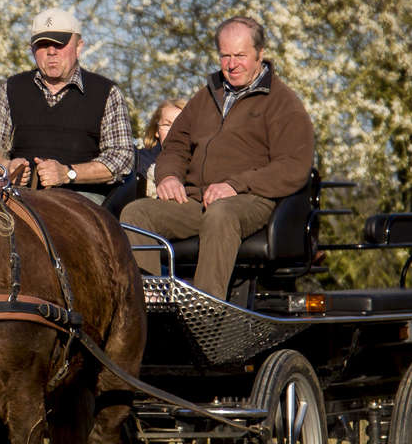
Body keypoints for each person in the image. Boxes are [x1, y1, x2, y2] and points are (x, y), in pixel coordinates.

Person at [120, 16, 314, 300]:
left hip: (252, 198)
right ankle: (150, 303)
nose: (232, 64)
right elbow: (175, 145)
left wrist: (236, 184)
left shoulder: (283, 104)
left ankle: (204, 309)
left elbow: (294, 166)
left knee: (220, 214)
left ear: (260, 54)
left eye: (240, 55)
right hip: (197, 199)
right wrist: (169, 175)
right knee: (136, 214)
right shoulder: (207, 96)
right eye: (225, 56)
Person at [0, 7, 134, 206]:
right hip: (18, 196)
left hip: (82, 199)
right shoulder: (10, 89)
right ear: (32, 50)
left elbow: (122, 159)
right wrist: (6, 167)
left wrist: (68, 173)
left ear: (78, 47)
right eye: (42, 45)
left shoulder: (106, 93)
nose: (51, 52)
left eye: (59, 44)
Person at [134, 98, 187, 199]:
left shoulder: (198, 163)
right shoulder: (138, 160)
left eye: (180, 125)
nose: (173, 131)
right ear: (156, 131)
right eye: (167, 124)